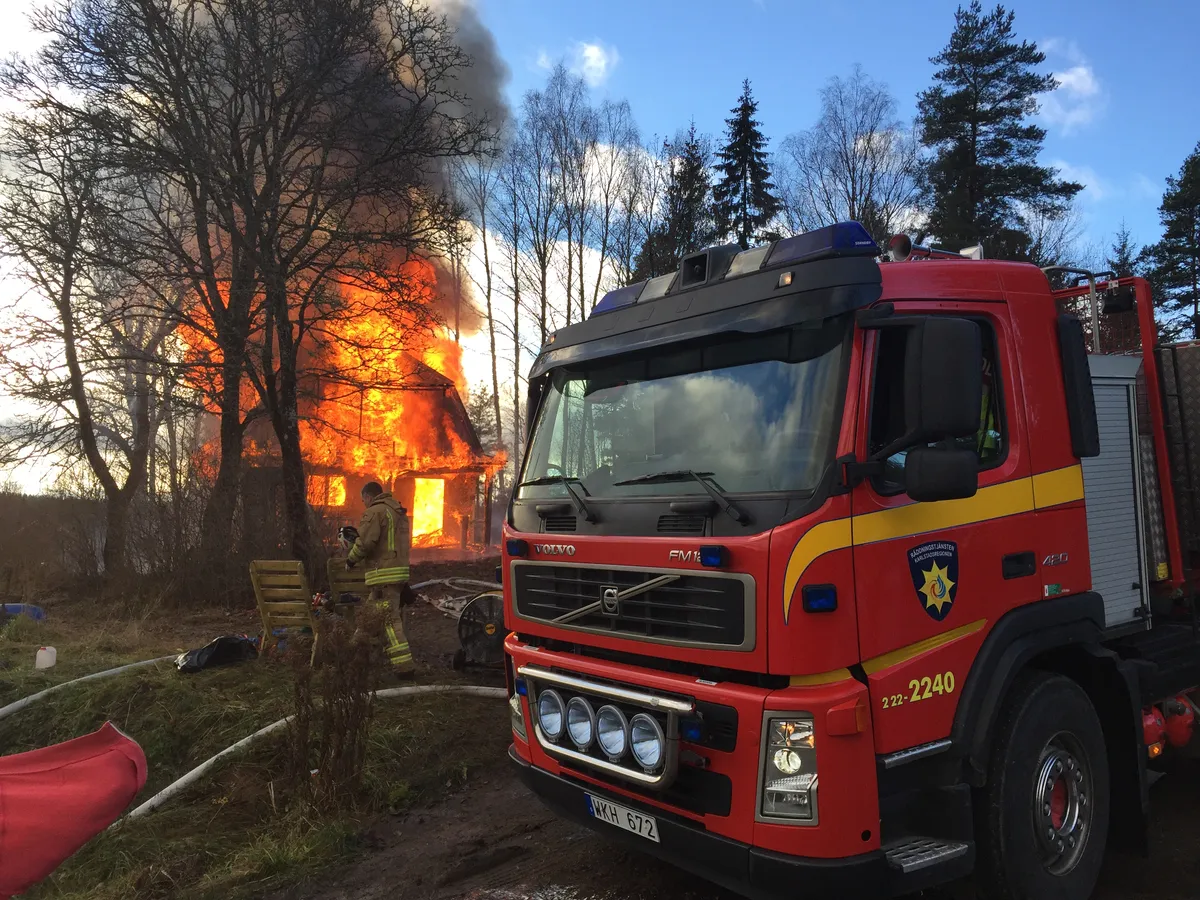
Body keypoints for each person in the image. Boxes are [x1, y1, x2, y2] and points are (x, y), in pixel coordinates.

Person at [346, 481, 414, 675]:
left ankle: (405, 667)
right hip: (397, 572)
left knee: (390, 621)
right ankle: (353, 656)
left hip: (383, 574)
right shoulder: (398, 512)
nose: (363, 504)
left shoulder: (374, 512)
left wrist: (350, 560)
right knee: (368, 616)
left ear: (368, 496)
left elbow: (365, 543)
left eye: (363, 500)